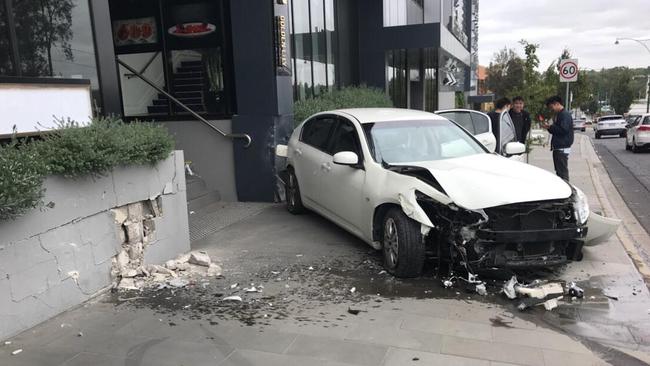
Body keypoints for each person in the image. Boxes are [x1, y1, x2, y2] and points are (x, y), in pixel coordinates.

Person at [542, 95, 574, 181]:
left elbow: (563, 130)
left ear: (556, 104)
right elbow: (557, 130)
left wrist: (551, 127)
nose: (551, 109)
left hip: (562, 147)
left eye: (551, 107)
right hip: (559, 147)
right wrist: (549, 128)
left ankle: (567, 190)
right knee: (559, 171)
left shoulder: (564, 115)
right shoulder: (559, 114)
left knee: (562, 172)